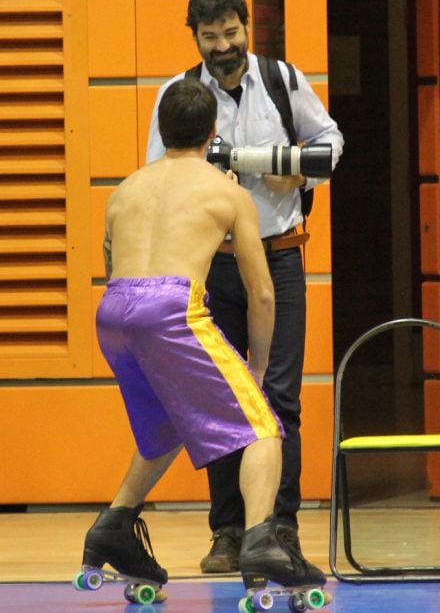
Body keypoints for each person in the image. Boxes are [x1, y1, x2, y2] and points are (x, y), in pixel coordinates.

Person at [80, 78, 326, 599]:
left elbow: (109, 262)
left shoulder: (126, 188)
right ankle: (261, 540)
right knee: (262, 424)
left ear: (161, 128)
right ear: (213, 132)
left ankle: (113, 526)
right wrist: (256, 372)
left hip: (113, 312)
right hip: (170, 306)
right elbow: (261, 295)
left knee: (166, 426)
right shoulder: (228, 192)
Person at [146, 0, 344, 577]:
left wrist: (298, 179)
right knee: (221, 401)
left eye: (230, 33)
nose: (222, 47)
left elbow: (332, 142)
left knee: (279, 397)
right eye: (210, 38)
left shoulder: (284, 81)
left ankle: (279, 529)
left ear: (246, 28)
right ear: (196, 38)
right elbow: (163, 172)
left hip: (279, 258)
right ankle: (228, 532)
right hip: (213, 264)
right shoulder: (180, 95)